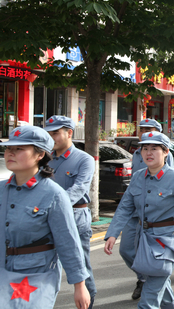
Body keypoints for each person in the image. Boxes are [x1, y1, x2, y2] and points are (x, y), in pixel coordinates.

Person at [104, 131, 174, 309]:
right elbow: (125, 207)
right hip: (143, 239)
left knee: (148, 301)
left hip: (165, 243)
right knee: (162, 290)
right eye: (145, 148)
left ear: (166, 152)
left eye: (154, 148)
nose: (148, 153)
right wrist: (113, 233)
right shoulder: (138, 177)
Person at [0, 126, 90, 309]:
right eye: (9, 148)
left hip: (36, 274)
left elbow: (68, 242)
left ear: (40, 155)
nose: (11, 153)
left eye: (19, 149)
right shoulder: (1, 189)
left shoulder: (53, 194)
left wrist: (80, 286)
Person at [44, 115, 97, 307]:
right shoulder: (44, 158)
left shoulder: (84, 159)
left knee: (80, 265)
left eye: (56, 133)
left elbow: (79, 188)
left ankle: (88, 301)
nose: (52, 137)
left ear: (69, 133)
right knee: (47, 265)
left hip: (76, 218)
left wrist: (54, 206)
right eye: (49, 133)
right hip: (47, 219)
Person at [121, 118, 174, 299]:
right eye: (142, 129)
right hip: (135, 212)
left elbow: (168, 184)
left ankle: (149, 281)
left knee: (156, 258)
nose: (143, 131)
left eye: (148, 129)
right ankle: (143, 278)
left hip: (156, 216)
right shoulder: (137, 153)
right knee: (126, 250)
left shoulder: (165, 153)